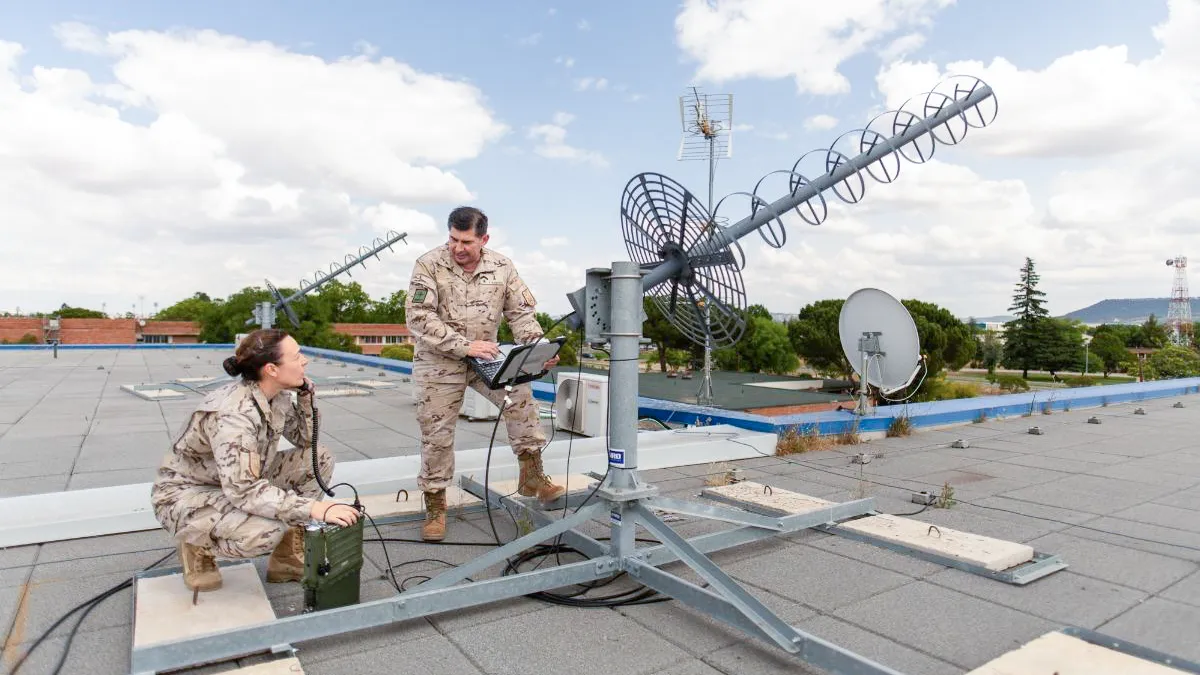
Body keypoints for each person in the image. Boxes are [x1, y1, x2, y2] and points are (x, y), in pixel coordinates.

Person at [150, 329, 361, 593]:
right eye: (296, 357)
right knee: (266, 531)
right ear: (272, 369)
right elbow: (245, 491)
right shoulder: (233, 415)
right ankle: (196, 543)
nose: (304, 361)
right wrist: (315, 509)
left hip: (236, 482)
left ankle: (285, 559)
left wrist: (306, 397)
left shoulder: (278, 393)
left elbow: (306, 440)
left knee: (319, 459)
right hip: (189, 494)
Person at [406, 206, 565, 541]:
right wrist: (466, 345)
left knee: (521, 397)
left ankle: (532, 475)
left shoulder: (502, 266)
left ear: (484, 239)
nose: (457, 248)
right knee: (436, 433)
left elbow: (521, 315)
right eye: (452, 239)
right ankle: (436, 505)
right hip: (439, 361)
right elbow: (419, 318)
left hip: (485, 358)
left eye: (466, 241)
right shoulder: (428, 263)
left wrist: (538, 348)